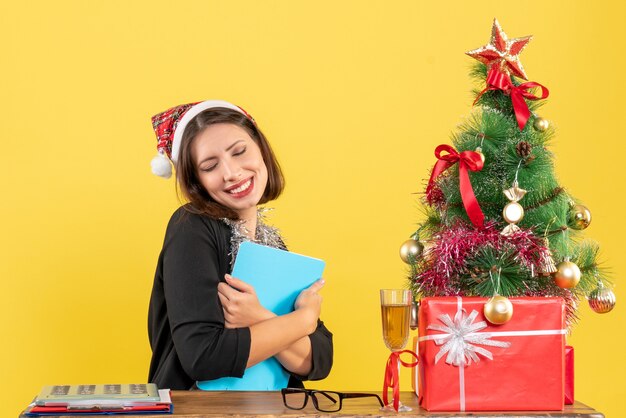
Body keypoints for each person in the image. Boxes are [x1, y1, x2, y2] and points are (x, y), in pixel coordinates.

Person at [147, 100, 333, 390]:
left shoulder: (272, 243)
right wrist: (303, 320)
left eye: (239, 151)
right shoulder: (191, 227)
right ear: (197, 180)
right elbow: (203, 357)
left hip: (273, 410)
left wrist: (258, 316)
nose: (231, 172)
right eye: (210, 166)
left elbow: (319, 359)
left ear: (260, 147)